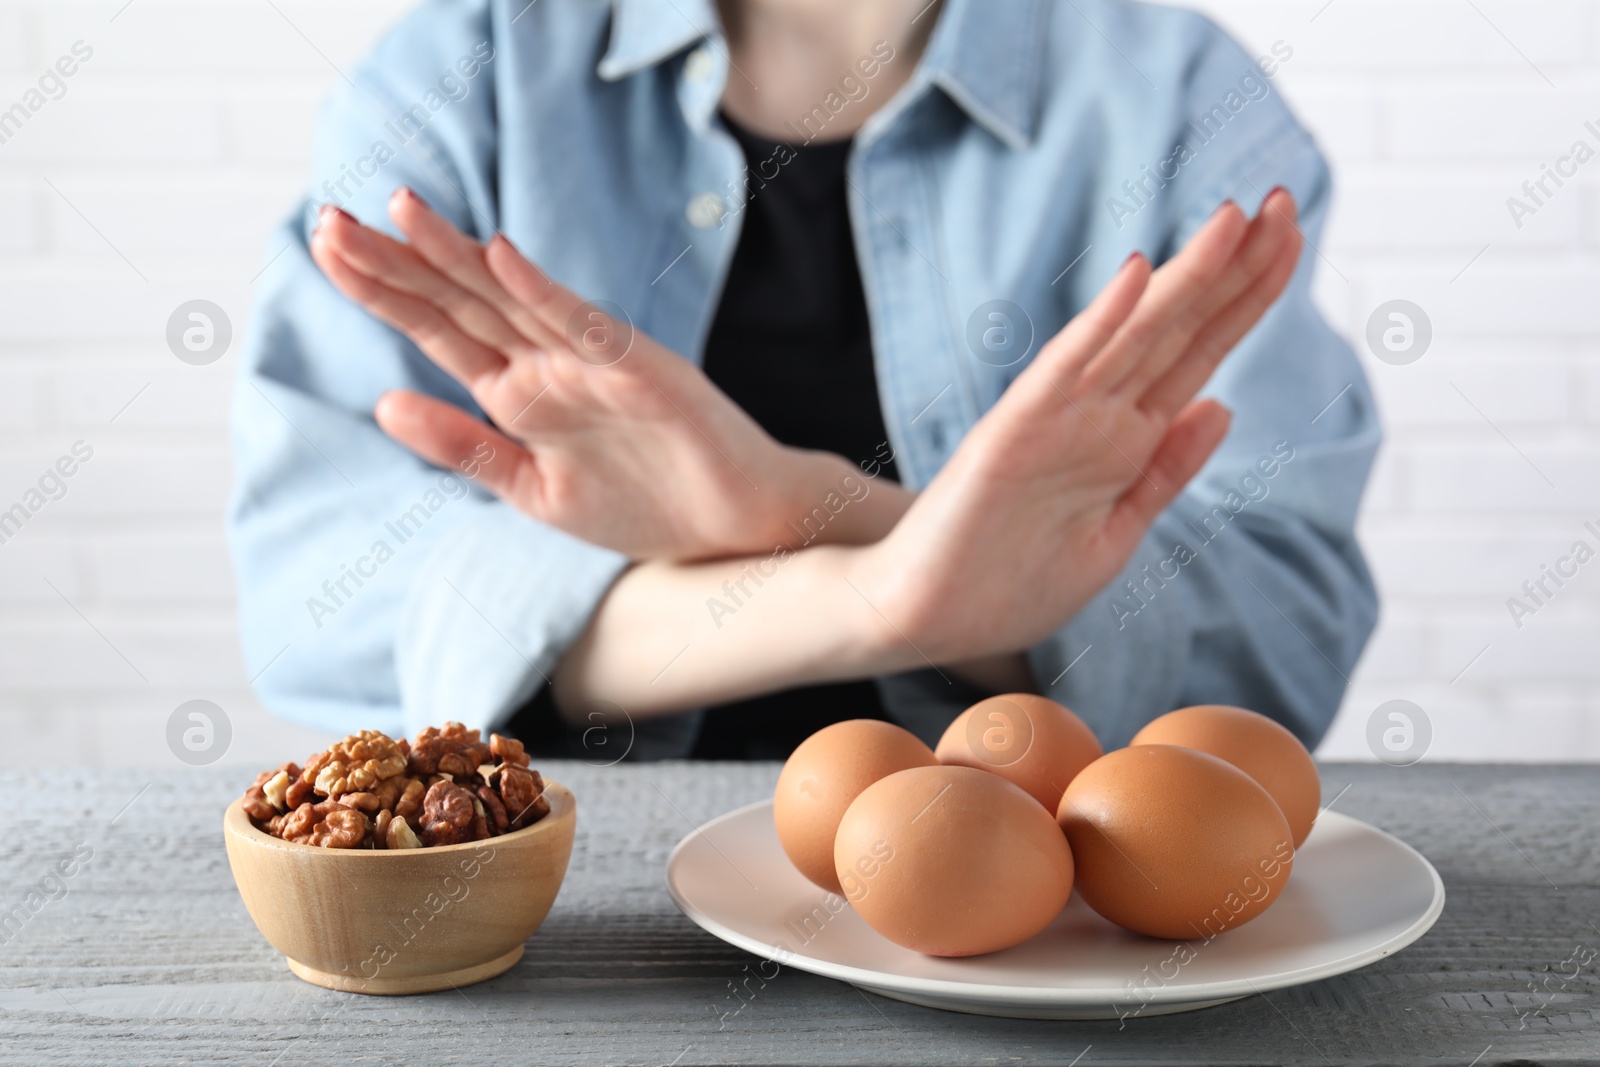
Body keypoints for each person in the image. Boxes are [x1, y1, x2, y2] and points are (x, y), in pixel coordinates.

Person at [229, 0, 1380, 761]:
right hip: (585, 934)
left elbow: (1281, 638)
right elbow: (321, 598)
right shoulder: (466, 69)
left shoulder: (1176, 94)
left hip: (1053, 945)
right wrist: (874, 596)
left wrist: (804, 514)